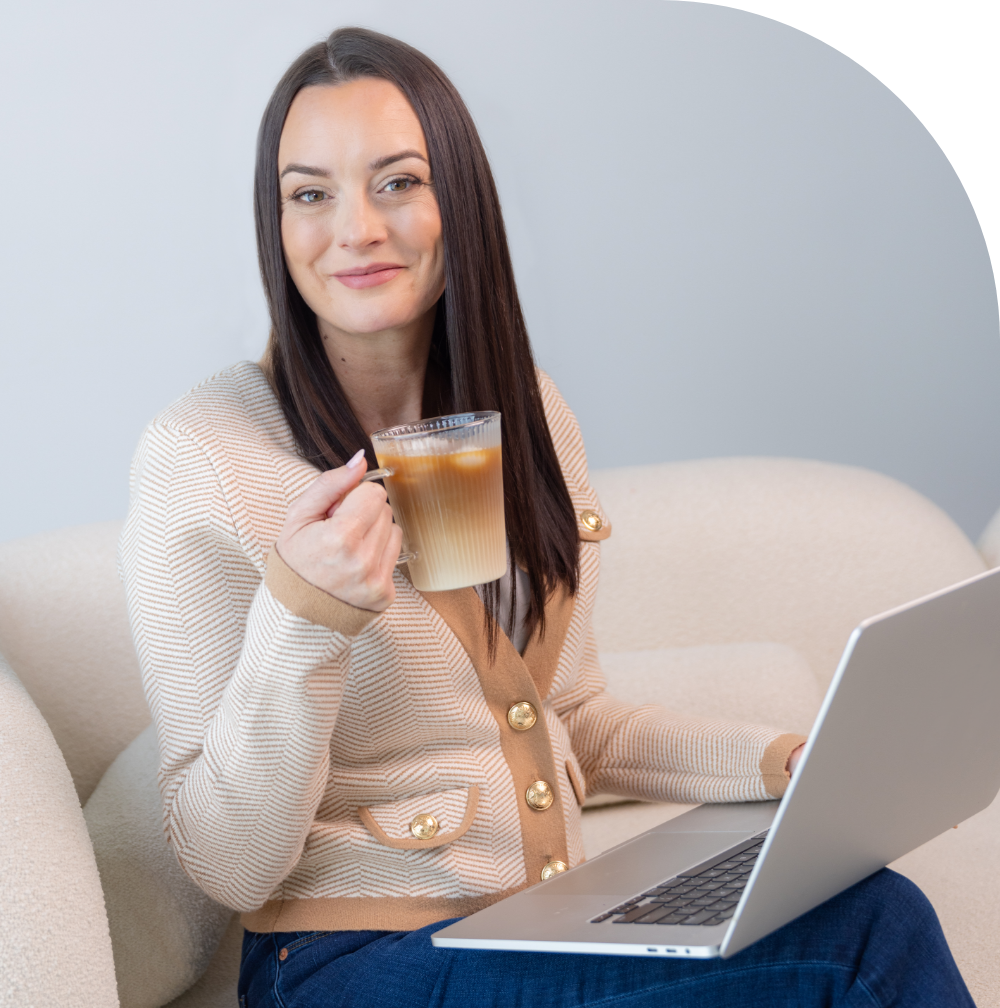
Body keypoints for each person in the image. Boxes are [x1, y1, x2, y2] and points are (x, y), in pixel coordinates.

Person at [120, 26, 973, 1008]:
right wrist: (303, 617)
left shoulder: (525, 412)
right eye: (309, 193)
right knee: (871, 937)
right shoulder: (206, 456)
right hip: (346, 964)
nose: (353, 227)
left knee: (869, 898)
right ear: (276, 225)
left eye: (397, 181)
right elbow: (225, 866)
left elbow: (574, 719)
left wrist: (782, 759)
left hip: (540, 927)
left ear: (461, 203)